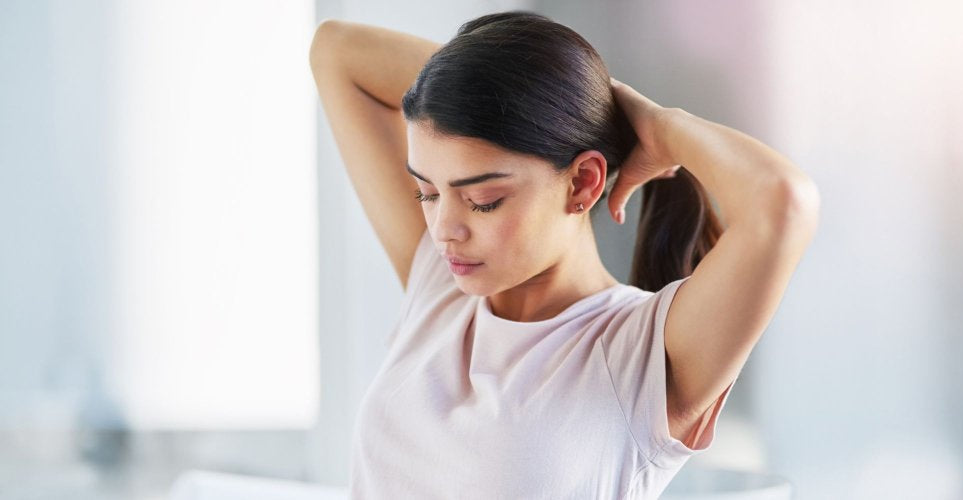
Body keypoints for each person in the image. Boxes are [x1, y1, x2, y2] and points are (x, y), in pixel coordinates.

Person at [309, 10, 819, 499]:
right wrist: (583, 107)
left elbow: (783, 203)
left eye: (484, 201)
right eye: (428, 193)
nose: (445, 230)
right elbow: (335, 49)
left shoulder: (642, 355)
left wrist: (650, 124)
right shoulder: (441, 289)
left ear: (583, 181)